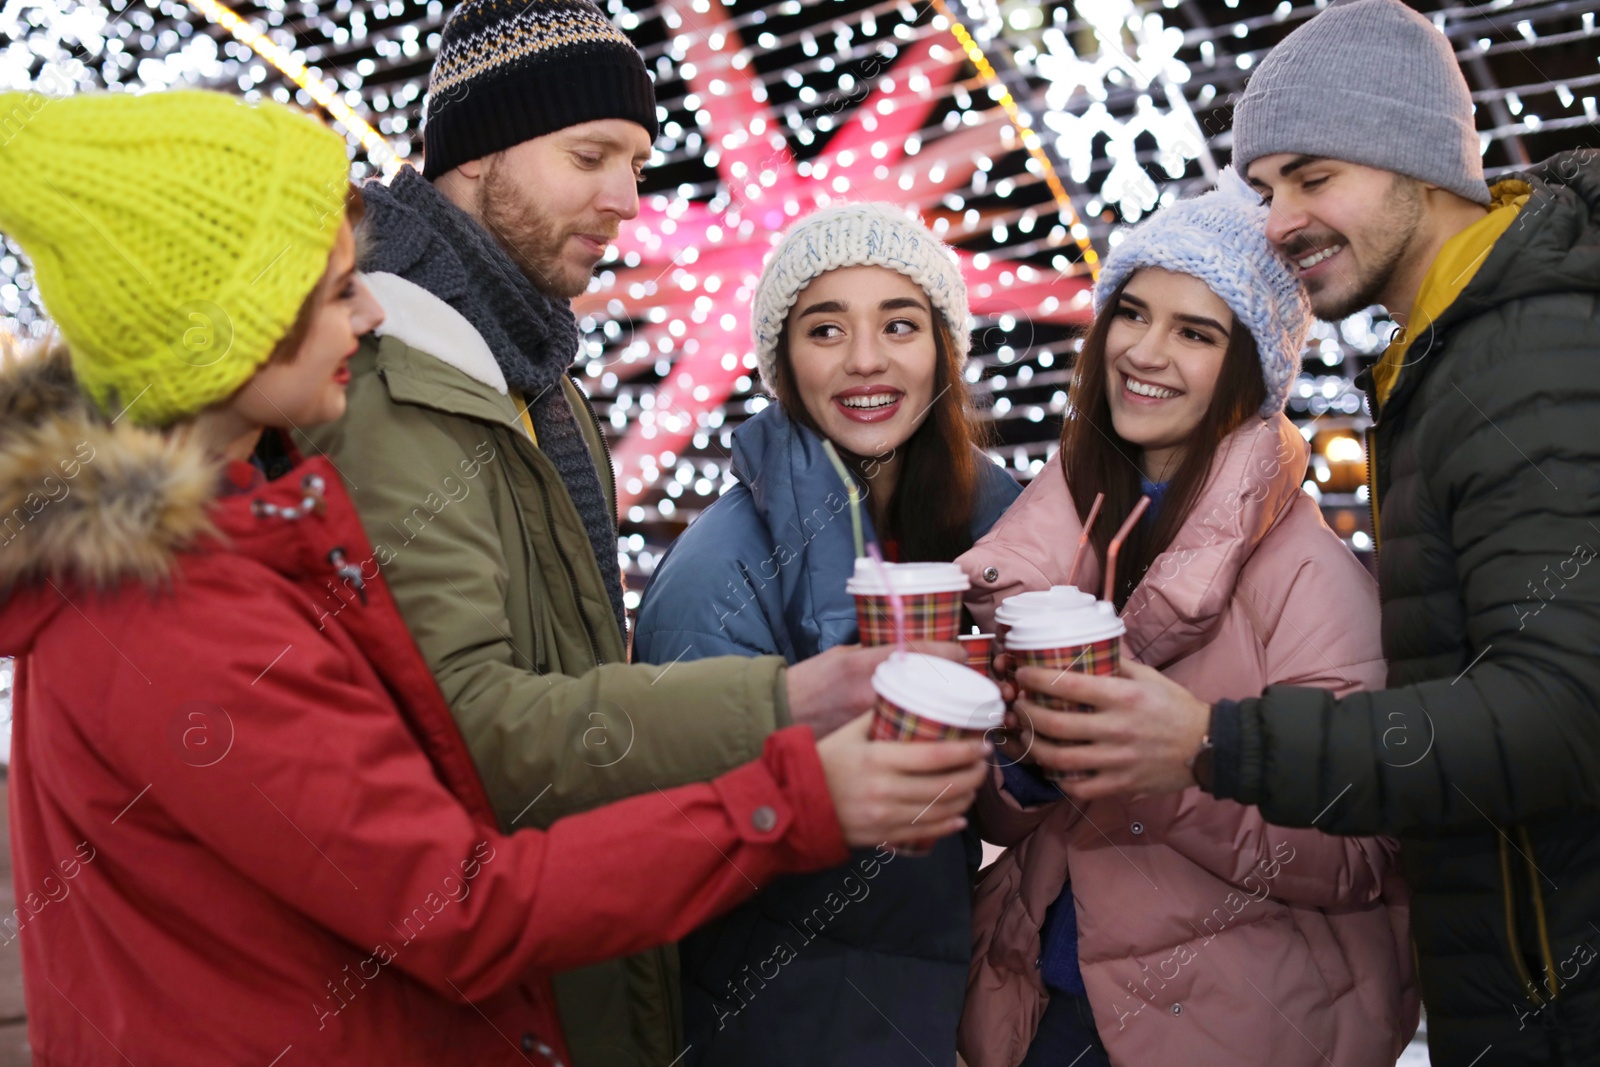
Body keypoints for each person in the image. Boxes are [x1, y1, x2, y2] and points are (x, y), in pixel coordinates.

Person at [0, 88, 990, 1064]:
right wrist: (797, 794)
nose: (370, 307)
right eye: (336, 286)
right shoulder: (181, 610)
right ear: (236, 321)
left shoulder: (250, 527)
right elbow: (458, 895)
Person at [293, 4, 938, 1062]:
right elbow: (470, 725)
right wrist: (787, 701)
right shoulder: (389, 387)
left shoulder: (531, 370)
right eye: (589, 155)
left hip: (561, 946)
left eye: (635, 162)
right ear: (475, 153)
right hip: (481, 981)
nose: (626, 200)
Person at [1026, 2, 1600, 1062]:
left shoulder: (1531, 353)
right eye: (1263, 187)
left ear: (1417, 161)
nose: (1279, 218)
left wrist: (1207, 743)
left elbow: (1565, 709)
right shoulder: (1447, 361)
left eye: (1312, 175)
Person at [953, 170, 1416, 1067]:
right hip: (1045, 1004)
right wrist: (1019, 756)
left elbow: (1362, 855)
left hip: (1227, 1024)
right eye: (1132, 313)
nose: (1144, 351)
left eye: (1195, 332)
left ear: (1251, 368)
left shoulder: (1313, 581)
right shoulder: (1064, 539)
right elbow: (1004, 816)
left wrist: (1160, 763)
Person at [632, 203, 1023, 1066]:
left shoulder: (988, 543)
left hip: (922, 1009)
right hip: (781, 1021)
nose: (866, 359)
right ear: (782, 364)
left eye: (900, 323)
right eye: (825, 328)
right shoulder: (718, 569)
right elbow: (685, 837)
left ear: (943, 353)